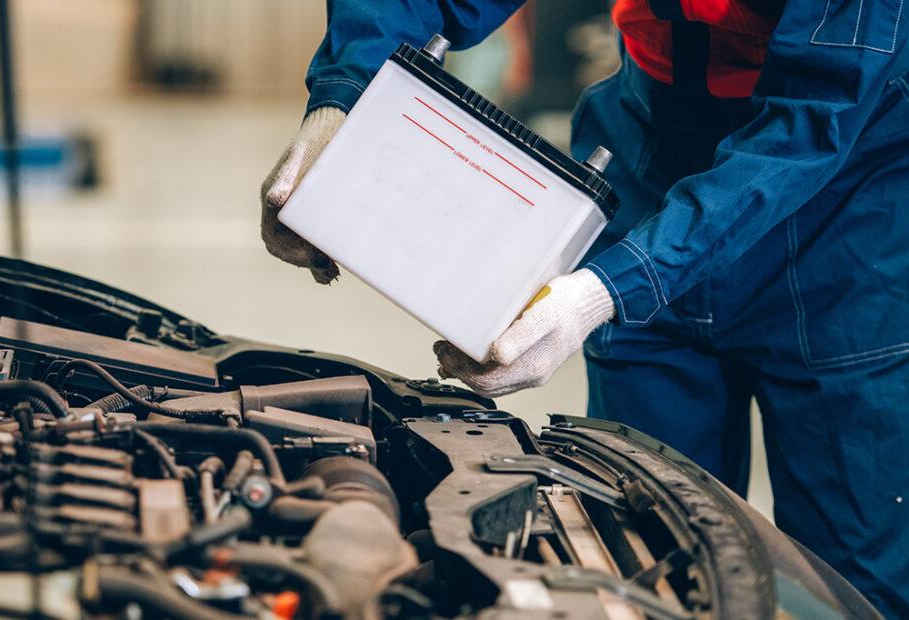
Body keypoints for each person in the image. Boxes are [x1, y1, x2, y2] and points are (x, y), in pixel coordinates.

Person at [260, 1, 909, 614]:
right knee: (645, 554)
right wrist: (344, 100)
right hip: (650, 154)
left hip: (841, 222)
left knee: (847, 585)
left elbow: (815, 118)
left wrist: (605, 289)